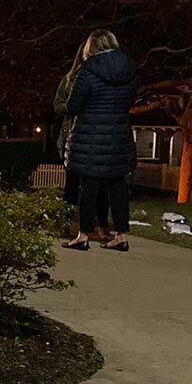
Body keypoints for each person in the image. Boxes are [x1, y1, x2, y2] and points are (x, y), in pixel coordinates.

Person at [62, 29, 138, 252]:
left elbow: (72, 106)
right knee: (118, 187)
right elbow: (130, 99)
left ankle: (83, 235)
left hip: (90, 136)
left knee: (88, 188)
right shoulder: (129, 70)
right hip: (119, 135)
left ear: (91, 47)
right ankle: (121, 235)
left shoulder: (88, 70)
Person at [53, 46, 109, 236]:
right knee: (72, 185)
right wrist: (72, 107)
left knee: (100, 186)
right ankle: (65, 224)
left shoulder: (106, 78)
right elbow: (58, 105)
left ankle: (101, 225)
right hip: (75, 138)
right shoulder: (70, 79)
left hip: (97, 138)